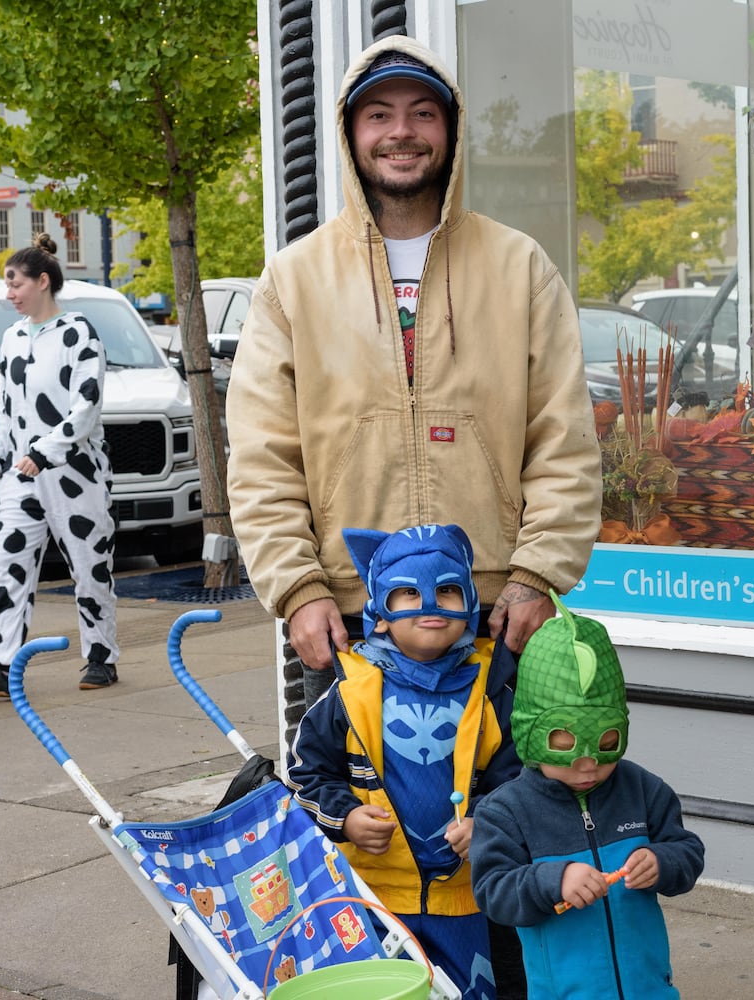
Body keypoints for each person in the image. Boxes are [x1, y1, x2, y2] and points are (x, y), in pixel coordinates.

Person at [225, 34, 601, 695]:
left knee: (497, 803)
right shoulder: (294, 280)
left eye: (423, 112)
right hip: (351, 614)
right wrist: (297, 588)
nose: (402, 132)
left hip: (493, 612)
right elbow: (262, 457)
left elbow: (562, 439)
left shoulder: (519, 268)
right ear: (350, 132)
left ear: (451, 131)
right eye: (380, 114)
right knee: (358, 801)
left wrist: (537, 574)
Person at [286, 523, 519, 1000]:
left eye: (448, 590)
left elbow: (521, 779)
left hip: (465, 900)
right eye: (407, 593)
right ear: (379, 612)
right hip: (370, 899)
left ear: (473, 604)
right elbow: (307, 776)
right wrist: (346, 817)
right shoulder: (349, 691)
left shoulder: (494, 690)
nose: (429, 604)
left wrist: (488, 822)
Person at [470, 596, 705, 1000]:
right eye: (566, 752)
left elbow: (687, 851)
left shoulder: (642, 789)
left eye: (606, 748)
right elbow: (494, 892)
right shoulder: (506, 811)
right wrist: (553, 880)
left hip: (649, 988)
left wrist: (662, 862)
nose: (588, 769)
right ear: (531, 737)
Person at [0, 233, 119, 697]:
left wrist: (44, 451)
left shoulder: (78, 333)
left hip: (74, 474)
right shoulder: (12, 338)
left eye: (14, 283)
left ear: (42, 282)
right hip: (21, 476)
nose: (8, 293)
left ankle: (101, 656)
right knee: (7, 567)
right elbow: (10, 409)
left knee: (89, 567)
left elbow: (86, 408)